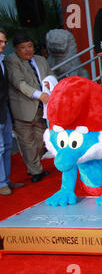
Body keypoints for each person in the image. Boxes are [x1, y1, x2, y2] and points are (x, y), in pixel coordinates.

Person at [4, 33, 54, 183]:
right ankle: (35, 171)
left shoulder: (40, 60)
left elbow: (51, 75)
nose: (27, 50)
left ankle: (34, 165)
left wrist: (50, 84)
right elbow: (19, 83)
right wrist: (40, 95)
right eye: (23, 48)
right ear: (15, 49)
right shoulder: (11, 61)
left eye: (30, 46)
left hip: (42, 109)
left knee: (40, 141)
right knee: (27, 142)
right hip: (23, 109)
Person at [0, 29, 24, 195]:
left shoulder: (2, 60)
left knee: (8, 146)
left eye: (4, 42)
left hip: (4, 108)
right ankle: (1, 183)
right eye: (0, 42)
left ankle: (6, 180)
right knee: (0, 147)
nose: (3, 45)